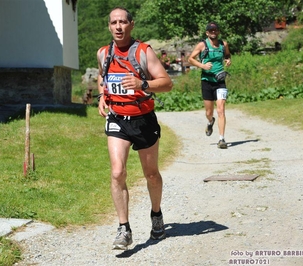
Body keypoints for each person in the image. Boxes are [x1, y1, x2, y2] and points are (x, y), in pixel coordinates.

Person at [96, 7, 173, 250]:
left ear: (131, 24)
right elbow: (102, 76)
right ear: (109, 26)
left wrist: (143, 83)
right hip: (117, 119)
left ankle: (156, 214)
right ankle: (124, 229)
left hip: (143, 119)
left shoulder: (143, 51)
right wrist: (102, 96)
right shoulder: (103, 53)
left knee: (151, 174)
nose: (118, 27)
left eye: (122, 22)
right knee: (117, 172)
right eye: (113, 23)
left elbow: (167, 83)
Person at [188, 22, 231, 149]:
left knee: (221, 110)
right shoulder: (202, 45)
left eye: (215, 30)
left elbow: (227, 55)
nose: (213, 32)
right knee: (209, 111)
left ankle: (221, 139)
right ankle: (210, 121)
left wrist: (228, 60)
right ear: (207, 33)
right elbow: (190, 58)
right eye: (211, 30)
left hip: (220, 81)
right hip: (206, 81)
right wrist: (202, 66)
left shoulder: (224, 44)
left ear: (218, 32)